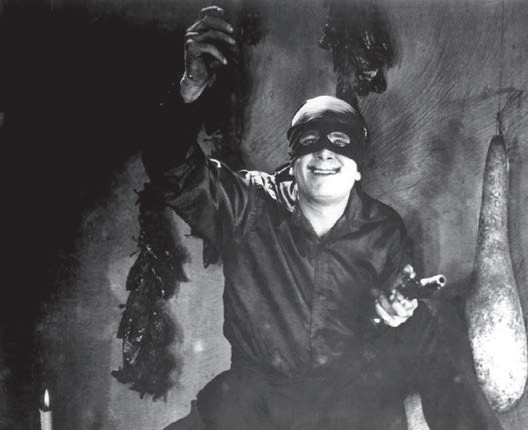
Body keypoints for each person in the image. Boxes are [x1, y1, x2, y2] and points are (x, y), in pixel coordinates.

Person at [146, 6, 501, 430]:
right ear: (293, 162)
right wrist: (188, 91)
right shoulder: (247, 204)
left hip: (351, 399)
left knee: (433, 320)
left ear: (358, 169)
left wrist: (392, 309)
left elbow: (387, 317)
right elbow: (173, 174)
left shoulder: (383, 229)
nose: (325, 152)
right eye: (310, 140)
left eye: (339, 142)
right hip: (260, 395)